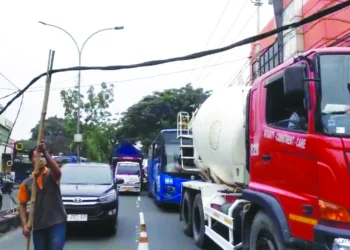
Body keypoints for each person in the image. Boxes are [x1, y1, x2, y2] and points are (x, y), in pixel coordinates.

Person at [18, 140, 67, 250]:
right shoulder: (26, 183)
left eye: (42, 157)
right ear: (31, 160)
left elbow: (58, 172)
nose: (40, 159)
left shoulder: (51, 175)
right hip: (38, 226)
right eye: (36, 157)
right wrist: (24, 225)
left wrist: (44, 152)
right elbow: (22, 204)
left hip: (57, 222)